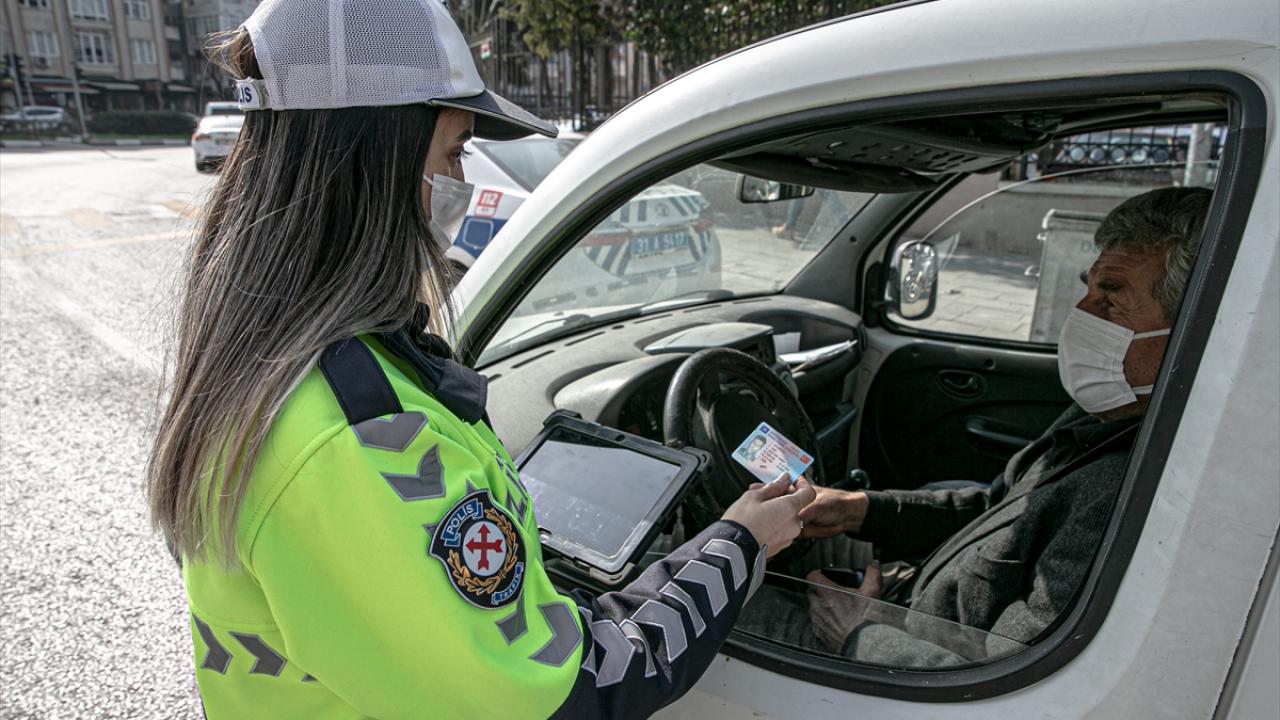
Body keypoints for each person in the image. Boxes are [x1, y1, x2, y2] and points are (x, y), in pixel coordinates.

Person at [146, 2, 814, 718]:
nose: (462, 179)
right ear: (379, 156)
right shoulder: (350, 442)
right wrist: (740, 542)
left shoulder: (281, 368)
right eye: (456, 150)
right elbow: (570, 689)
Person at [796, 186, 1212, 665]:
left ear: (1194, 328)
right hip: (914, 596)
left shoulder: (1131, 491)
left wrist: (857, 635)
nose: (1081, 314)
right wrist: (857, 510)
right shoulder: (1110, 409)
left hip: (902, 658)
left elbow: (1009, 677)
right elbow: (998, 505)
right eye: (1088, 289)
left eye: (1112, 300)